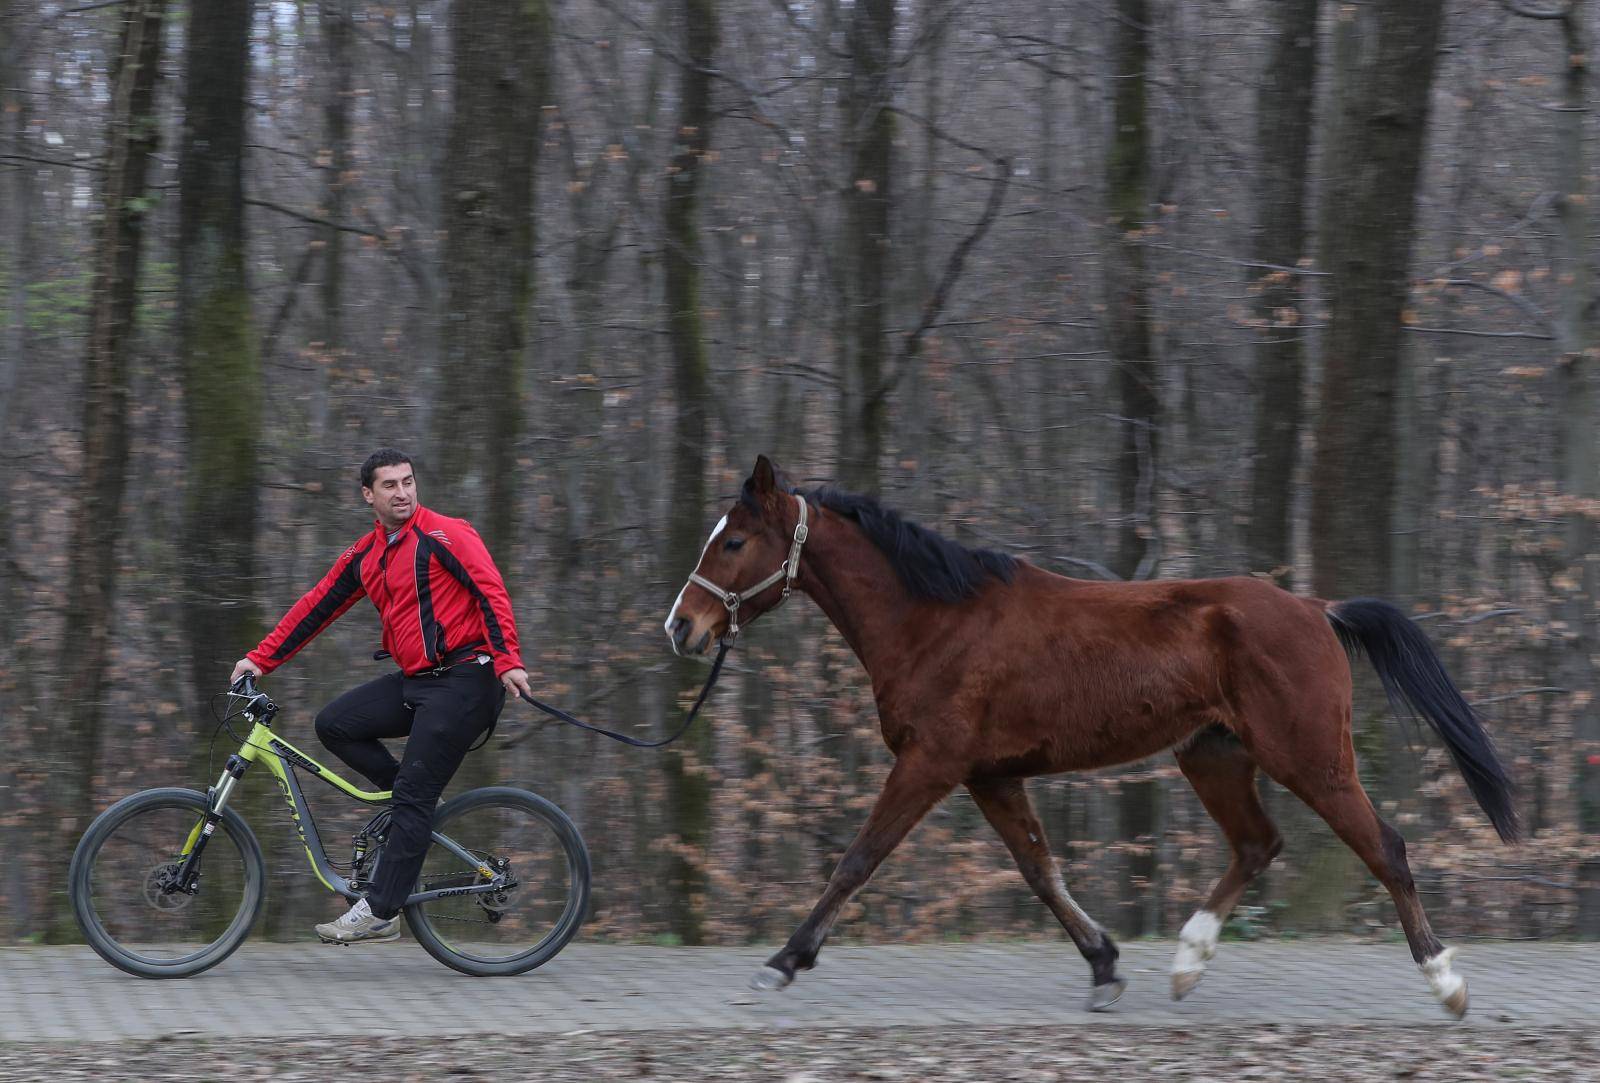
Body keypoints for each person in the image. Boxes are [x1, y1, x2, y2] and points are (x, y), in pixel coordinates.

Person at [231, 448, 533, 943]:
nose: (403, 492)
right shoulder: (366, 554)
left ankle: (382, 909)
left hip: (467, 680)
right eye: (390, 485)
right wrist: (259, 659)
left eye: (408, 481)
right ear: (368, 495)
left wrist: (509, 661)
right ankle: (416, 802)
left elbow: (491, 592)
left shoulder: (445, 534)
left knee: (414, 794)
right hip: (419, 680)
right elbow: (316, 606)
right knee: (335, 724)